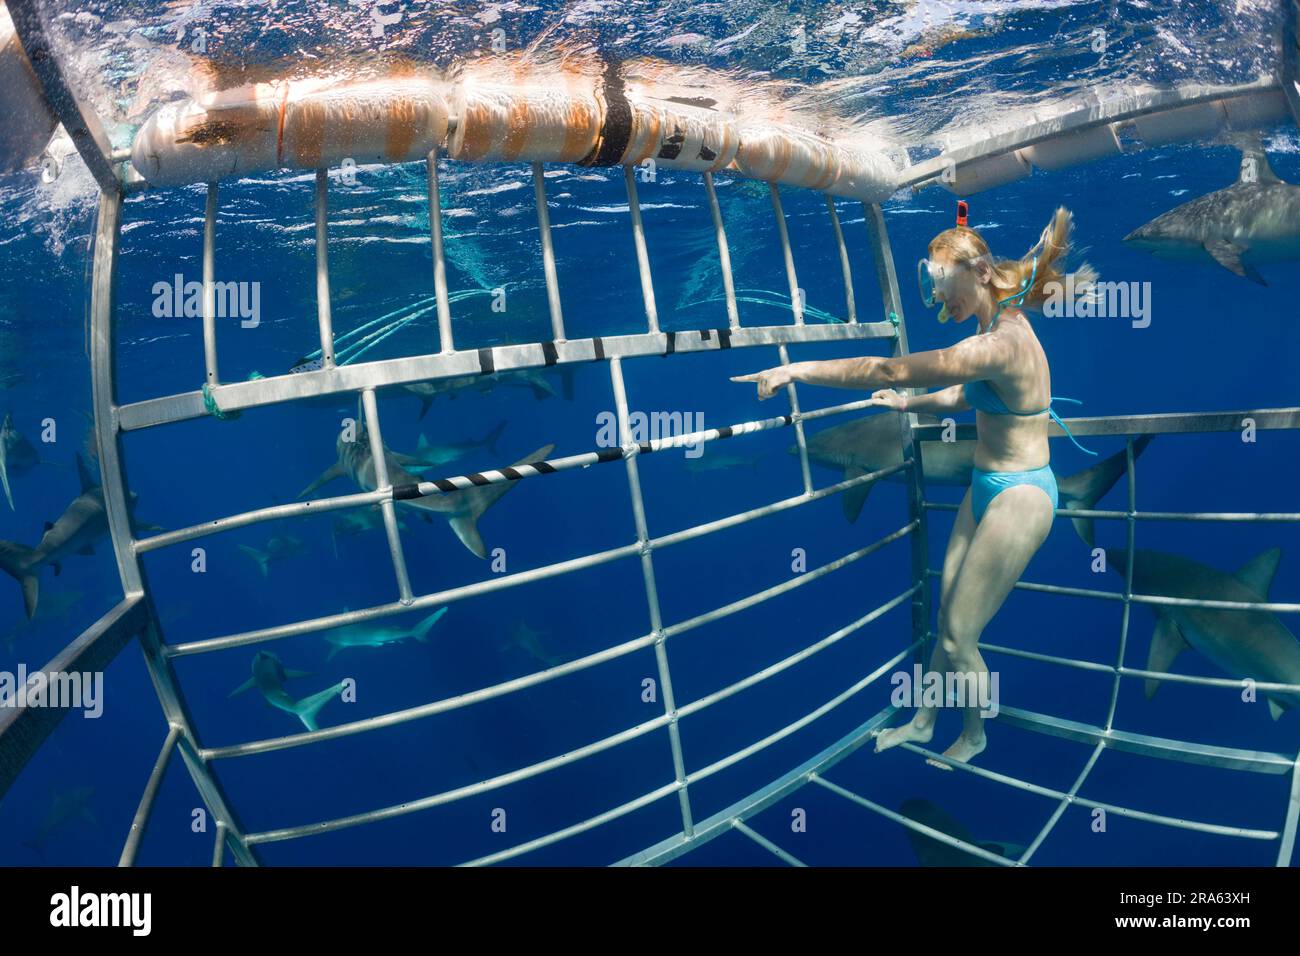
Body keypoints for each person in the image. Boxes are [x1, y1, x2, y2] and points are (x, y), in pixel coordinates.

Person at [732, 205, 1098, 769]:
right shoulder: (994, 321)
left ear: (978, 275)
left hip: (1023, 496)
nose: (938, 303)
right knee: (946, 616)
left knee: (958, 637)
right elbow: (965, 394)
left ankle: (975, 734)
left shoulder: (1000, 343)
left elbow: (888, 369)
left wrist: (796, 371)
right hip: (986, 483)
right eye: (932, 289)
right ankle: (924, 721)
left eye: (942, 287)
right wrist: (911, 407)